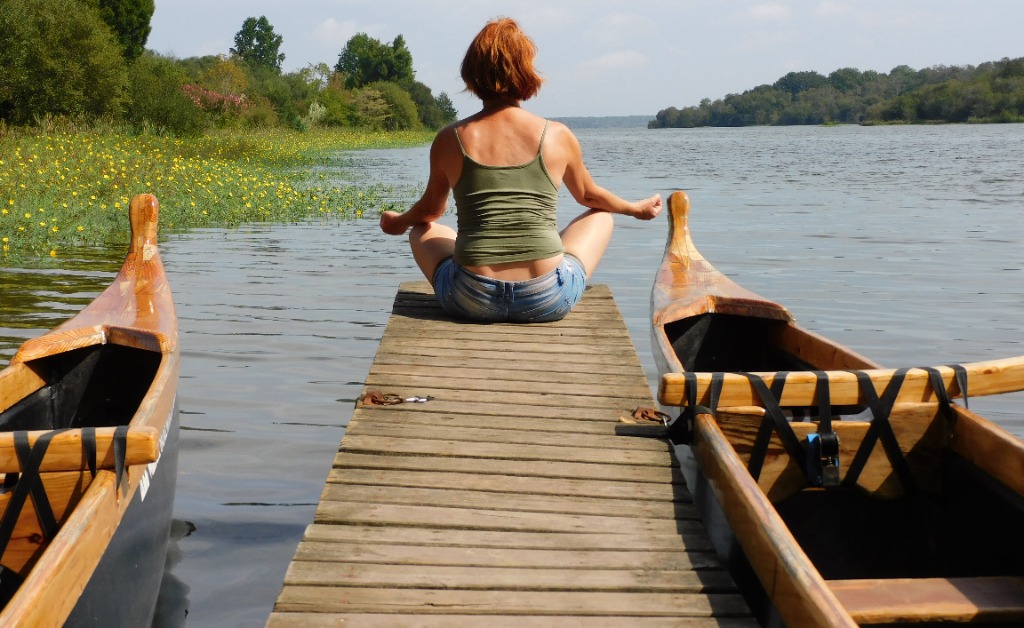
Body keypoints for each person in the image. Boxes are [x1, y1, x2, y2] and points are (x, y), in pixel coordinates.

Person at [379, 17, 662, 323]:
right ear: (526, 72)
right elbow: (589, 196)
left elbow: (430, 211)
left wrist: (399, 222)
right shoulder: (557, 135)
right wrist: (634, 208)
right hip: (545, 299)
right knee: (601, 216)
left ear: (472, 72)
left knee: (426, 229)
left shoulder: (450, 138)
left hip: (470, 299)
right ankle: (547, 268)